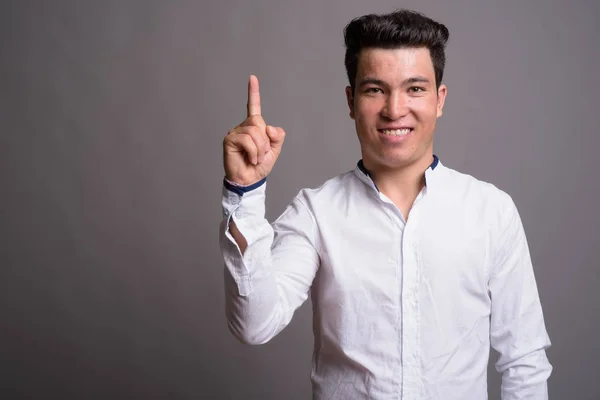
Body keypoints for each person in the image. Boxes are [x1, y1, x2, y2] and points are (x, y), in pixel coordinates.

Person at [219, 9, 552, 399]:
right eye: (375, 89)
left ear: (439, 99)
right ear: (351, 100)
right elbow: (254, 325)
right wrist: (245, 193)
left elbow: (524, 361)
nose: (395, 109)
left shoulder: (491, 211)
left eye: (415, 88)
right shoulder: (316, 213)